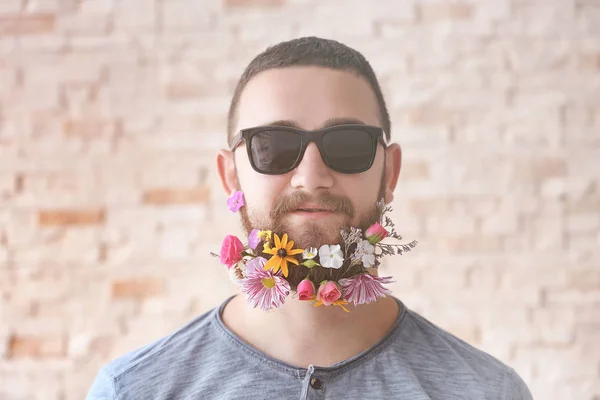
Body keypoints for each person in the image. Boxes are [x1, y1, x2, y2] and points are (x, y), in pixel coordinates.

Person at [86, 36, 533, 400]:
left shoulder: (488, 391)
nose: (312, 177)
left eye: (348, 144)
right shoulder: (133, 391)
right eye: (274, 145)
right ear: (230, 178)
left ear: (390, 172)